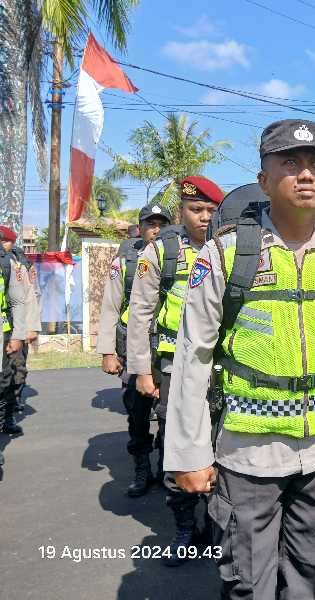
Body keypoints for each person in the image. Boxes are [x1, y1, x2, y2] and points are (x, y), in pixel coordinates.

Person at [163, 119, 315, 599]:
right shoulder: (224, 255)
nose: (306, 174)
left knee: (314, 580)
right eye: (289, 163)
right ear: (264, 180)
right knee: (249, 583)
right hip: (248, 454)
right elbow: (193, 356)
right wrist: (187, 453)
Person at [126, 177, 222, 565]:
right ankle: (185, 527)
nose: (203, 218)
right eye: (196, 210)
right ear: (181, 211)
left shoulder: (229, 248)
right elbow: (139, 313)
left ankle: (217, 525)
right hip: (171, 364)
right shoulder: (160, 250)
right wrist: (141, 370)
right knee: (176, 442)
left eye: (210, 211)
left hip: (220, 364)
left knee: (220, 444)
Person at [97, 201, 172, 497]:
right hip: (134, 347)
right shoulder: (125, 260)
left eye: (162, 224)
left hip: (167, 348)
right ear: (140, 228)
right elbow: (110, 306)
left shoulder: (177, 254)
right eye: (150, 224)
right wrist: (107, 352)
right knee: (137, 412)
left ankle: (168, 469)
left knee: (169, 415)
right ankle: (143, 467)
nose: (156, 230)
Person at [0, 226, 37, 434]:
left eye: (6, 242)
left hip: (13, 330)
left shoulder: (17, 264)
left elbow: (26, 298)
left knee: (16, 373)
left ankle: (9, 415)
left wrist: (29, 328)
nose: (3, 246)